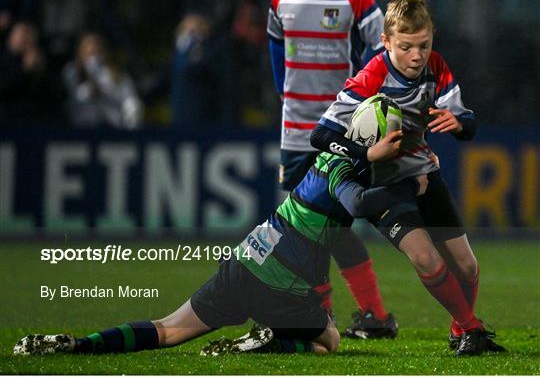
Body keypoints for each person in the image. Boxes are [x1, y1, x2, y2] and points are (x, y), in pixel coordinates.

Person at [13, 107, 422, 357]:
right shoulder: (347, 172)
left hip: (245, 261)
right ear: (375, 140)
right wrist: (406, 187)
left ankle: (79, 345)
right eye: (393, 139)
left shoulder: (331, 157)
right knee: (329, 339)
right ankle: (272, 341)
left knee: (168, 329)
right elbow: (358, 203)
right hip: (281, 286)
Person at [310, 0, 506, 356]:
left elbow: (468, 122)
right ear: (385, 42)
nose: (417, 56)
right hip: (382, 185)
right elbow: (321, 135)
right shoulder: (373, 75)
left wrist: (460, 123)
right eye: (406, 47)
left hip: (425, 175)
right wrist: (367, 153)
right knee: (426, 258)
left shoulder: (437, 66)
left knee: (467, 265)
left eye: (424, 45)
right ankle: (471, 328)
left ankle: (459, 330)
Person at [267, 0, 394, 338]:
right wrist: (285, 97)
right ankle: (340, 316)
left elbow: (382, 56)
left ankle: (365, 316)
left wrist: (366, 110)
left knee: (332, 225)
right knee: (305, 225)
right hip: (294, 130)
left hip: (340, 130)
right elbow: (274, 51)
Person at [62, 32, 143, 129]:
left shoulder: (115, 73)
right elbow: (73, 98)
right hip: (81, 126)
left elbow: (129, 98)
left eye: (95, 49)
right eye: (87, 49)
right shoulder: (72, 71)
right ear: (80, 51)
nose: (92, 52)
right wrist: (90, 86)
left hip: (112, 126)